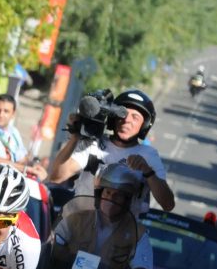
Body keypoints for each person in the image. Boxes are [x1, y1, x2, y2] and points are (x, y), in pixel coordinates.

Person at [47, 89, 175, 216]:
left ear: (144, 125)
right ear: (113, 118)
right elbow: (56, 177)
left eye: (135, 117)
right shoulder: (93, 144)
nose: (126, 120)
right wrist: (75, 137)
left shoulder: (148, 155)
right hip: (80, 224)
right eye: (122, 114)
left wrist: (148, 172)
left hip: (119, 232)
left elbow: (168, 204)